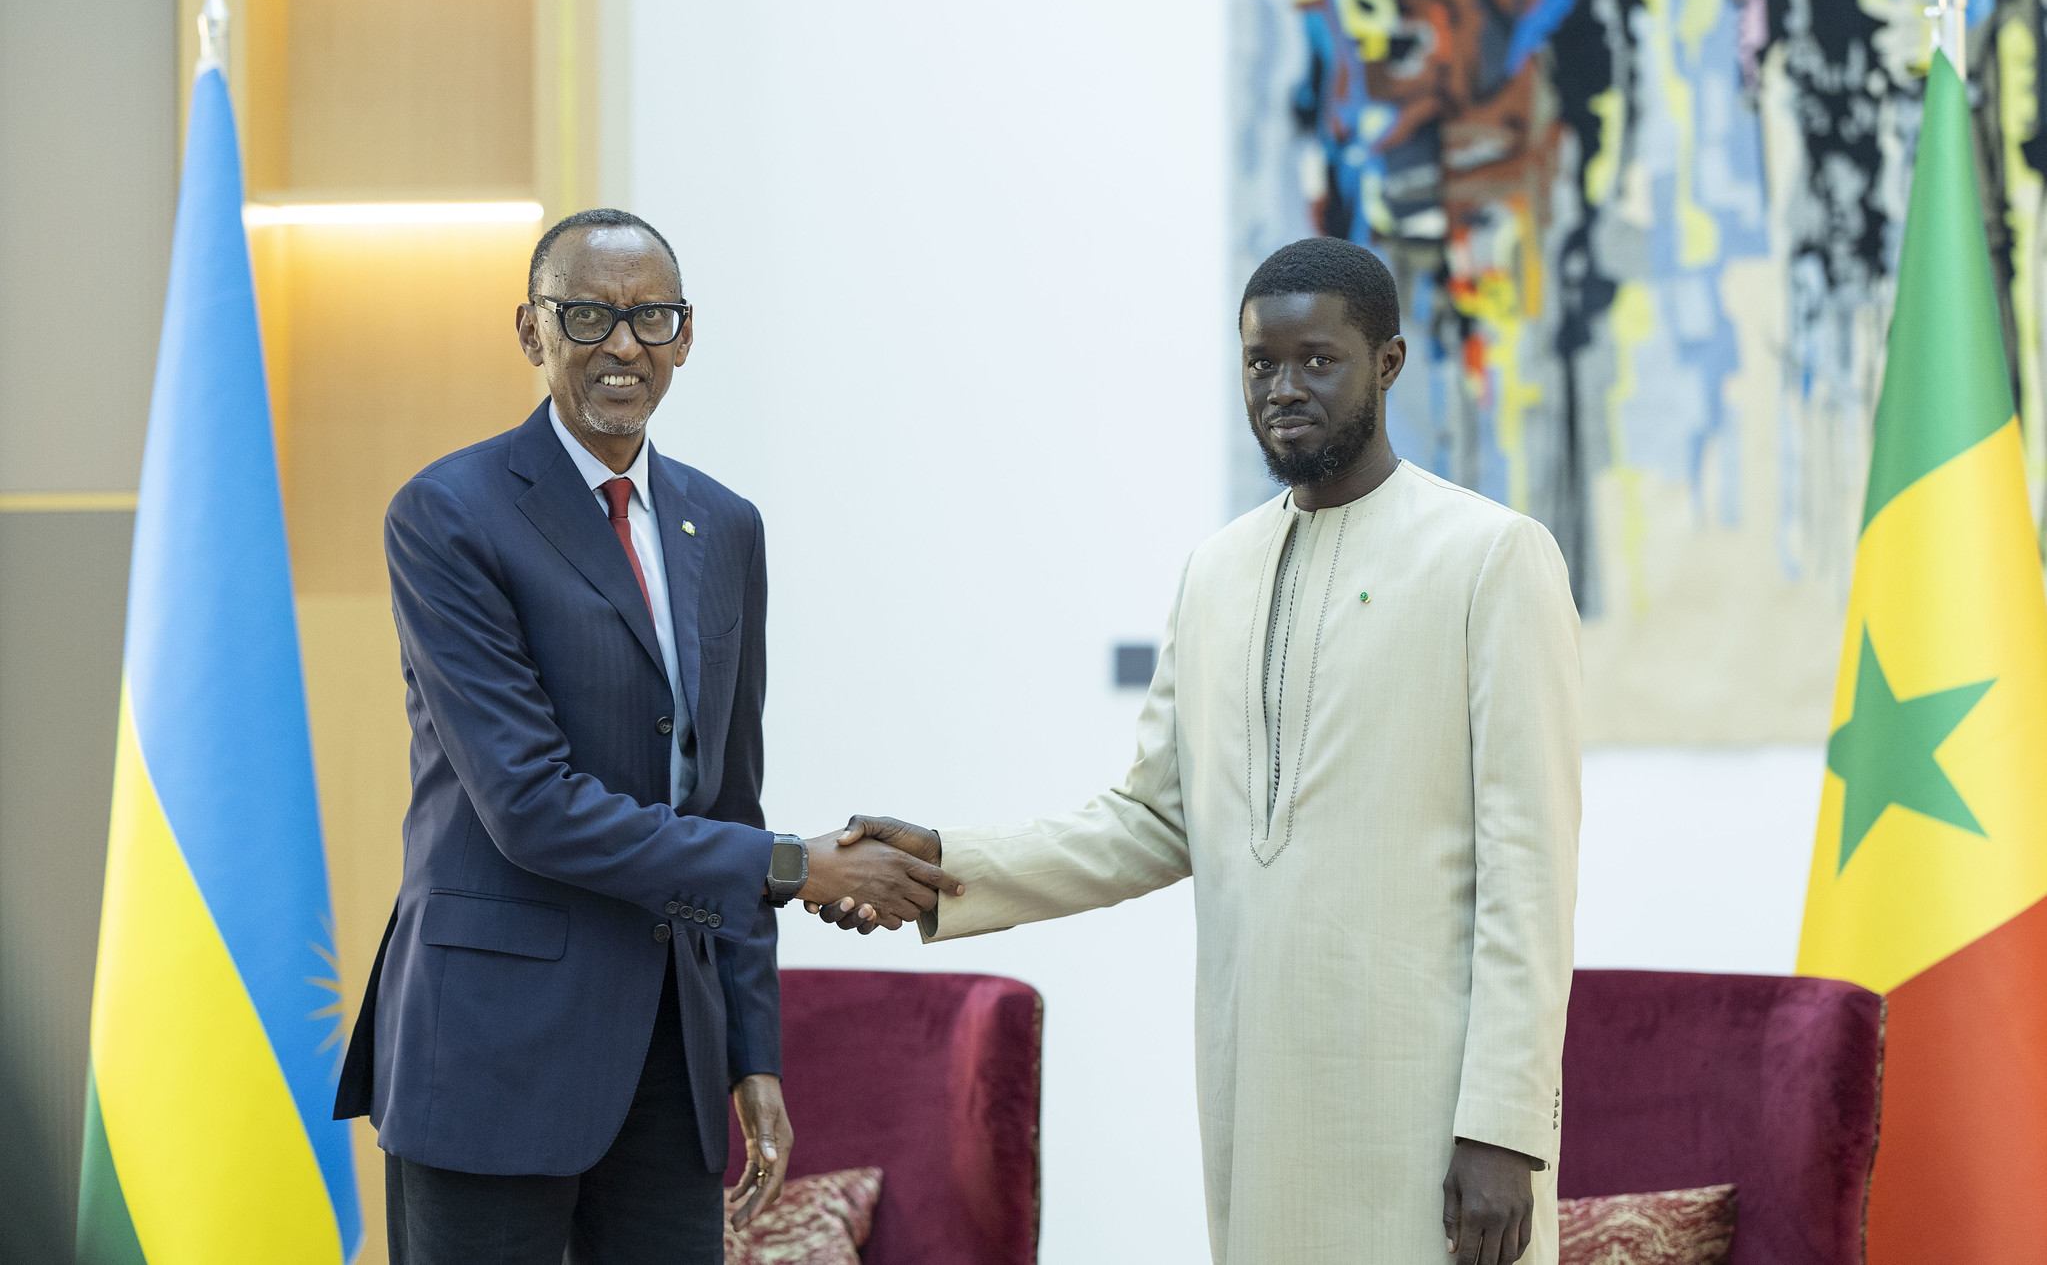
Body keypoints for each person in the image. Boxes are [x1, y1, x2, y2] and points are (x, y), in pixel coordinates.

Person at [816, 237, 1580, 1265]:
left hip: (1427, 1110)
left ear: (1388, 363)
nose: (1284, 388)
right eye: (1261, 363)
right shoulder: (1215, 572)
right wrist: (942, 862)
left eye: (1318, 360)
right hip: (1258, 1098)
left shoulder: (1489, 555)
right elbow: (1152, 819)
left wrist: (1504, 1126)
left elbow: (1530, 871)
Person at [334, 208, 958, 1264]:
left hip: (672, 1050)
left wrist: (752, 1052)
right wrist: (796, 867)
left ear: (685, 334)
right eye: (586, 315)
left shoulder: (725, 525)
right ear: (531, 331)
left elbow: (728, 797)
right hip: (492, 1045)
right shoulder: (448, 514)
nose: (623, 344)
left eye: (651, 317)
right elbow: (531, 806)